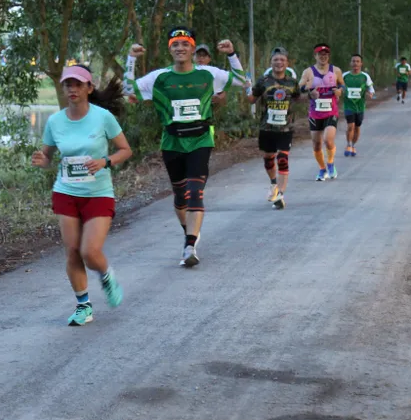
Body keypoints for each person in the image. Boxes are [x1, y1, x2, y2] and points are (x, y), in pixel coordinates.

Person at [124, 27, 246, 268]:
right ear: (170, 50)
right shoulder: (158, 78)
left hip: (200, 139)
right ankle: (188, 231)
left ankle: (190, 245)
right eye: (175, 44)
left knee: (194, 191)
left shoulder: (208, 74)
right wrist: (130, 60)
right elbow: (128, 91)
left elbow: (242, 81)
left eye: (185, 44)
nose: (180, 48)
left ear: (192, 48)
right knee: (180, 195)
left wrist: (232, 55)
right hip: (172, 142)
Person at [31, 65, 133, 326]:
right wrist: (40, 159)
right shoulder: (55, 121)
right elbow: (48, 157)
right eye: (68, 85)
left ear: (89, 88)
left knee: (90, 251)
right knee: (73, 251)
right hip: (66, 192)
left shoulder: (102, 118)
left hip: (98, 193)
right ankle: (83, 306)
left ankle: (106, 275)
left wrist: (105, 161)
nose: (72, 89)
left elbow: (125, 150)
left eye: (78, 84)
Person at [248, 47, 300, 209]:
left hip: (285, 128)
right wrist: (246, 87)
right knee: (269, 158)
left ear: (287, 63)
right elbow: (252, 100)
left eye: (282, 60)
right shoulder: (263, 81)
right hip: (267, 128)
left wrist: (311, 96)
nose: (279, 63)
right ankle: (273, 183)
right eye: (276, 60)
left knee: (283, 159)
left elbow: (298, 99)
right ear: (271, 62)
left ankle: (280, 194)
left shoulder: (292, 82)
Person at [299, 43, 345, 181]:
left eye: (325, 54)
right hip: (315, 112)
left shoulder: (335, 70)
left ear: (328, 56)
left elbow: (342, 84)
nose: (323, 57)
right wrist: (309, 92)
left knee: (328, 140)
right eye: (320, 54)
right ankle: (322, 168)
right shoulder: (308, 72)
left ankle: (330, 163)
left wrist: (339, 90)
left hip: (331, 111)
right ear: (315, 56)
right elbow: (300, 87)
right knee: (316, 144)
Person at [342, 54, 375, 157]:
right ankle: (348, 145)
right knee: (350, 125)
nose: (355, 63)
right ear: (350, 63)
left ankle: (353, 145)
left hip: (360, 106)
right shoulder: (345, 76)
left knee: (357, 127)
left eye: (357, 61)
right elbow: (338, 86)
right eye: (353, 61)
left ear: (361, 63)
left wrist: (370, 92)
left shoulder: (365, 76)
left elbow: (371, 88)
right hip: (348, 105)